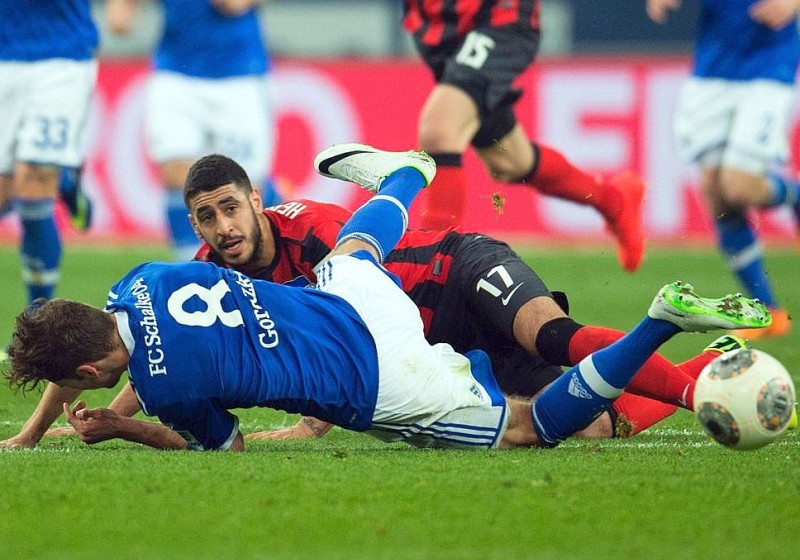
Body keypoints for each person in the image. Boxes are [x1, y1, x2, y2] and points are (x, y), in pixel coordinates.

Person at [4, 144, 772, 451]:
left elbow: (221, 441)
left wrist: (116, 429)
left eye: (228, 207)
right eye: (206, 215)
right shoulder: (143, 278)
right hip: (366, 301)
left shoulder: (167, 384)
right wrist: (46, 421)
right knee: (356, 250)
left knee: (539, 422)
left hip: (400, 354)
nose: (219, 226)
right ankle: (407, 172)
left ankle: (662, 328)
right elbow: (112, 342)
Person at [402, 1, 647, 272]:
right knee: (510, 162)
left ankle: (433, 273)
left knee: (440, 129)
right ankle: (614, 201)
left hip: (498, 16)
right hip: (440, 25)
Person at [646, 0, 800, 339]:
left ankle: (795, 196)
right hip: (712, 70)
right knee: (716, 194)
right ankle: (770, 312)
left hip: (768, 66)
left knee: (739, 186)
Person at [106, 0, 277, 261]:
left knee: (246, 185)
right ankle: (190, 268)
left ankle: (280, 207)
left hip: (239, 75)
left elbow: (233, 5)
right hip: (177, 73)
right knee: (177, 175)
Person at [0, 0, 98, 306]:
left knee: (34, 181)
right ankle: (64, 181)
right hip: (5, 55)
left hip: (60, 54)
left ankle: (36, 322)